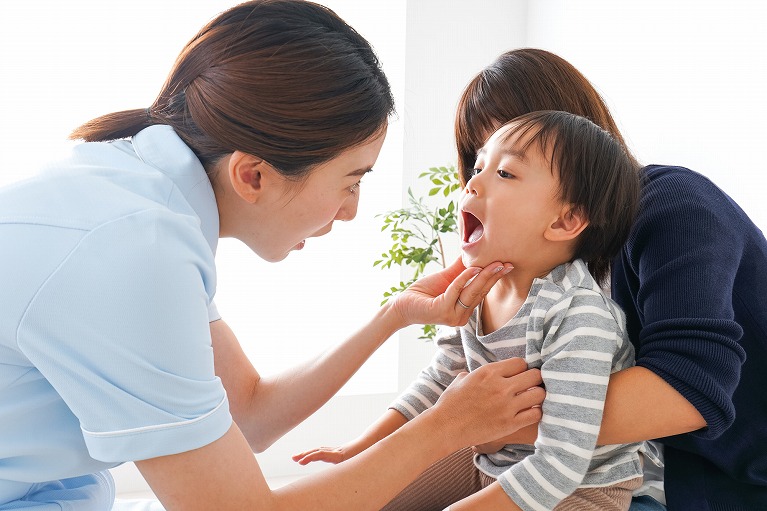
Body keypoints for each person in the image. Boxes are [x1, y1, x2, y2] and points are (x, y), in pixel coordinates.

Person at [0, 3, 547, 509]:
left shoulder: (141, 197)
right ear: (253, 174)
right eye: (350, 181)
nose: (351, 210)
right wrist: (445, 428)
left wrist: (394, 317)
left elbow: (249, 414)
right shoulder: (133, 253)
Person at [449, 48, 767, 511]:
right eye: (479, 164)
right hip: (636, 466)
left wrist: (473, 425)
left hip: (724, 476)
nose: (484, 185)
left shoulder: (671, 205)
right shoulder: (544, 266)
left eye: (510, 166)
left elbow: (688, 390)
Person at [294, 110, 645, 511]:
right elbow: (439, 380)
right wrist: (356, 451)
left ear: (566, 221)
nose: (473, 182)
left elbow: (562, 461)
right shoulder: (479, 288)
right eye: (479, 167)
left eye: (506, 174)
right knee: (364, 496)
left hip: (579, 489)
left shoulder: (579, 316)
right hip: (490, 461)